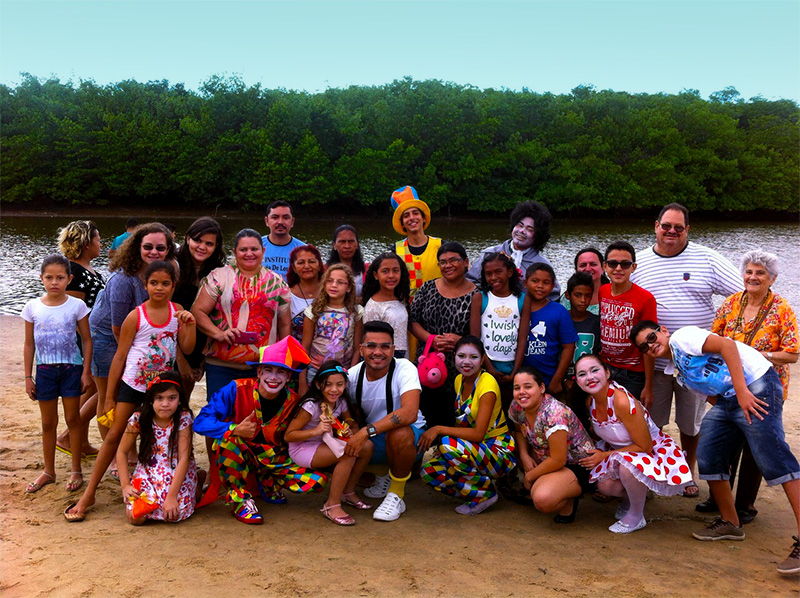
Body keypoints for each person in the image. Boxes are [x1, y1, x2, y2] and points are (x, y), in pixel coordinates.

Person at [631, 320, 800, 575]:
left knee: (773, 456)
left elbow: (727, 345)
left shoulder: (682, 338)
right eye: (644, 347)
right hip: (728, 401)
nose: (650, 346)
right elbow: (708, 393)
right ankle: (731, 522)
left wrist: (742, 391)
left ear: (663, 331)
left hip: (756, 383)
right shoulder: (676, 370)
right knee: (709, 452)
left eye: (652, 338)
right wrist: (727, 414)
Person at [65, 261, 196, 522]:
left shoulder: (177, 312)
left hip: (162, 389)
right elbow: (120, 357)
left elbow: (187, 348)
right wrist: (110, 396)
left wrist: (189, 325)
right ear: (145, 285)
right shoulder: (136, 316)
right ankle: (89, 494)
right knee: (115, 435)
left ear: (173, 286)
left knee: (172, 436)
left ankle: (181, 483)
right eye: (154, 283)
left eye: (166, 283)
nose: (159, 288)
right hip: (134, 383)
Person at [630, 202, 742, 497]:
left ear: (687, 230)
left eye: (678, 227)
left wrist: (727, 334)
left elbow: (742, 296)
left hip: (698, 361)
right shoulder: (638, 263)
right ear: (656, 226)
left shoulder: (707, 258)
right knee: (653, 421)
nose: (671, 231)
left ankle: (687, 472)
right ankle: (656, 470)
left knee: (691, 424)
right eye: (666, 226)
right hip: (654, 358)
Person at [702, 250, 798, 523]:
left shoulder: (782, 309)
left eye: (760, 273)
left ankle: (745, 505)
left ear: (772, 279)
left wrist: (759, 356)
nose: (753, 277)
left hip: (767, 387)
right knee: (724, 439)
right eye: (749, 272)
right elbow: (714, 341)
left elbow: (792, 353)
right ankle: (718, 498)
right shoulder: (731, 304)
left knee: (757, 444)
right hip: (728, 385)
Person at [193, 337, 328, 525]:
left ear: (289, 377)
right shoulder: (236, 389)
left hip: (272, 460)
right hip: (239, 454)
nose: (274, 377)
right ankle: (239, 500)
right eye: (268, 370)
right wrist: (234, 428)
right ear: (259, 372)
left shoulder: (294, 402)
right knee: (227, 439)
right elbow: (200, 422)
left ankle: (268, 483)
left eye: (281, 372)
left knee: (316, 482)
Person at [88, 222, 176, 478]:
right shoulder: (123, 280)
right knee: (108, 396)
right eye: (148, 247)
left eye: (161, 247)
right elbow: (117, 329)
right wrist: (131, 359)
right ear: (137, 247)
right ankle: (117, 459)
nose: (154, 252)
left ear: (169, 249)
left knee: (124, 399)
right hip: (108, 336)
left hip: (140, 336)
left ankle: (128, 451)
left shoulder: (166, 273)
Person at [574, 355, 693, 533]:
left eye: (595, 370)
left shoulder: (621, 400)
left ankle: (637, 515)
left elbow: (645, 446)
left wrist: (604, 456)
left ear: (607, 373)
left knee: (627, 466)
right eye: (582, 374)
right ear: (577, 381)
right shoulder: (590, 401)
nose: (589, 377)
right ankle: (632, 499)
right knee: (605, 486)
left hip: (651, 453)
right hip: (622, 452)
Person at [419, 336, 516, 515]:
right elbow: (461, 421)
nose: (467, 362)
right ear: (454, 356)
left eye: (473, 357)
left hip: (497, 450)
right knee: (429, 472)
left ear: (483, 360)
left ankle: (484, 495)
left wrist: (438, 429)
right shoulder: (459, 380)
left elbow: (479, 434)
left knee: (448, 444)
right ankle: (475, 491)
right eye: (461, 356)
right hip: (476, 449)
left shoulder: (487, 384)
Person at [191, 229, 291, 401]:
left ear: (263, 251)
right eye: (243, 249)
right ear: (235, 251)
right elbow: (198, 312)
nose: (249, 254)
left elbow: (284, 325)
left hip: (262, 367)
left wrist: (282, 359)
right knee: (220, 414)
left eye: (254, 249)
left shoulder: (277, 282)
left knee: (257, 414)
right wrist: (219, 334)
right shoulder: (218, 277)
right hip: (221, 366)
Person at [22, 255, 92, 494]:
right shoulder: (32, 307)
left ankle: (76, 470)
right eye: (49, 277)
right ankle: (48, 471)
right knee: (47, 422)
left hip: (72, 369)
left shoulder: (77, 306)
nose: (54, 282)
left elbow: (87, 339)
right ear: (41, 278)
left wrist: (86, 371)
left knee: (73, 419)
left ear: (69, 279)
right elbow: (29, 344)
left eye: (60, 278)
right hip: (44, 371)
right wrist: (27, 377)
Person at [344, 321, 426, 522]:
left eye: (385, 346)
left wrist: (364, 432)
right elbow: (344, 411)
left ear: (393, 349)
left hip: (407, 437)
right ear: (361, 349)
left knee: (399, 433)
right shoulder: (353, 375)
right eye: (371, 346)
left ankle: (396, 494)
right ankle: (383, 475)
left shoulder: (404, 367)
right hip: (375, 438)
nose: (378, 352)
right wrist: (353, 428)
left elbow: (409, 413)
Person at [285, 361, 374, 525]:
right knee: (347, 454)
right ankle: (331, 505)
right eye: (328, 385)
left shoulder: (341, 401)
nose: (334, 390)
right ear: (318, 385)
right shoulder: (310, 405)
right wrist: (315, 431)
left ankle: (348, 491)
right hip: (303, 447)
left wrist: (349, 430)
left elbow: (352, 424)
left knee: (366, 447)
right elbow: (289, 436)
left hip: (326, 443)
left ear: (345, 385)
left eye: (339, 384)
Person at [508, 366, 595, 523]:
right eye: (517, 388)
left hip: (577, 463)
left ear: (541, 388)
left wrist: (529, 476)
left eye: (528, 387)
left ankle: (568, 499)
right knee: (511, 449)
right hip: (545, 454)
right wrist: (524, 455)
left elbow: (558, 459)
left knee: (542, 498)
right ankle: (546, 484)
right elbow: (518, 430)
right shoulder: (517, 405)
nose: (522, 392)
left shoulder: (554, 412)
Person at [116, 372, 199, 524]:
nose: (165, 404)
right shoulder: (139, 418)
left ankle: (197, 481)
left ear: (180, 400)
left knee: (174, 514)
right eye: (159, 398)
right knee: (136, 517)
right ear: (150, 400)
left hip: (176, 470)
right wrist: (125, 485)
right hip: (148, 471)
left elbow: (184, 458)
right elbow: (121, 452)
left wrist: (172, 497)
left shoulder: (183, 417)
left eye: (171, 398)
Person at [410, 242, 476, 427]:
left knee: (453, 415)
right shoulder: (428, 288)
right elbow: (413, 321)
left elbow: (479, 334)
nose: (448, 265)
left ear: (465, 262)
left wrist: (460, 342)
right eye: (443, 262)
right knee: (424, 414)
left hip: (459, 366)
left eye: (453, 260)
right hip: (427, 362)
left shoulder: (476, 294)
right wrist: (431, 339)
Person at [55, 220, 105, 459]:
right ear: (86, 243)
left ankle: (79, 440)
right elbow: (72, 314)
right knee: (101, 389)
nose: (100, 243)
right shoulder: (74, 273)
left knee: (93, 388)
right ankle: (67, 435)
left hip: (95, 337)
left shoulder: (88, 269)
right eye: (97, 239)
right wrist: (86, 344)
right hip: (86, 339)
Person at [598, 241, 657, 402]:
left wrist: (648, 386)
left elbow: (650, 344)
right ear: (604, 266)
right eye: (612, 263)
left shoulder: (646, 299)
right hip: (605, 368)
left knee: (631, 419)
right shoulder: (602, 292)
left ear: (633, 267)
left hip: (633, 373)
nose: (618, 269)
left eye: (625, 264)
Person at [173, 217, 226, 396]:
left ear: (216, 246)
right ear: (188, 239)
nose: (202, 247)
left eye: (209, 243)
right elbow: (163, 317)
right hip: (170, 345)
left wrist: (204, 359)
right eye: (197, 240)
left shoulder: (218, 273)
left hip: (199, 346)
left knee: (184, 400)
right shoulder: (173, 267)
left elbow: (217, 317)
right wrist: (180, 361)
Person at [467, 200, 560, 300]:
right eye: (520, 225)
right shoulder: (490, 253)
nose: (522, 231)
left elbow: (553, 296)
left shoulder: (542, 265)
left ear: (538, 236)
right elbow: (470, 282)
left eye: (530, 229)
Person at [469, 251, 524, 410]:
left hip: (513, 367)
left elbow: (522, 338)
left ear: (510, 272)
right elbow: (475, 339)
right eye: (488, 274)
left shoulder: (521, 299)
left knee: (510, 411)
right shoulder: (480, 298)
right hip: (486, 366)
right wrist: (490, 368)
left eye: (498, 272)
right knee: (487, 410)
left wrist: (515, 371)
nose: (493, 277)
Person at [514, 263, 577, 396]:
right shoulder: (514, 307)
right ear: (525, 283)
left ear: (553, 286)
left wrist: (557, 380)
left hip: (547, 380)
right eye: (535, 281)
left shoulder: (559, 311)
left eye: (546, 282)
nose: (540, 286)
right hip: (517, 380)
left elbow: (569, 347)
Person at [301, 263, 364, 392]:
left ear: (349, 288)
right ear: (324, 284)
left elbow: (357, 348)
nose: (334, 285)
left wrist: (350, 375)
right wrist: (302, 382)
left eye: (340, 282)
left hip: (342, 371)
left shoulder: (356, 312)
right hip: (315, 370)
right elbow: (304, 347)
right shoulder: (313, 311)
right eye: (330, 281)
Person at [390, 185, 442, 299]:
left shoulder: (442, 246)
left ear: (423, 218)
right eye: (406, 215)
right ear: (402, 223)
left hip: (437, 309)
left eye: (415, 213)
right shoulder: (394, 251)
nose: (412, 218)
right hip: (407, 311)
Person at [362, 252, 412, 359]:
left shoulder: (401, 299)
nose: (391, 276)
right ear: (376, 275)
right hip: (385, 358)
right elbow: (371, 341)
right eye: (385, 271)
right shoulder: (373, 307)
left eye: (395, 271)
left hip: (403, 355)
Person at [563, 272, 601, 392]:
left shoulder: (596, 322)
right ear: (568, 295)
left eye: (587, 296)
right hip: (561, 380)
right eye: (578, 295)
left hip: (589, 382)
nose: (583, 300)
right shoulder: (560, 320)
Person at [287, 244, 323, 342]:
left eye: (311, 262)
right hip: (296, 351)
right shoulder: (286, 294)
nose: (307, 266)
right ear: (294, 268)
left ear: (319, 265)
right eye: (301, 262)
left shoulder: (331, 291)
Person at [261, 200, 305, 279]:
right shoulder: (255, 246)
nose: (280, 222)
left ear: (292, 222)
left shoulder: (304, 250)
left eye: (286, 218)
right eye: (275, 217)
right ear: (267, 221)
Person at [559, 247, 608, 315]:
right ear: (576, 270)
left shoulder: (614, 294)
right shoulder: (566, 299)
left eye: (593, 264)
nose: (588, 269)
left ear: (603, 268)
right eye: (583, 265)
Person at [327, 224, 368, 299]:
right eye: (342, 242)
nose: (347, 246)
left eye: (351, 241)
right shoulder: (325, 269)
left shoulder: (367, 269)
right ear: (334, 245)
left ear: (357, 244)